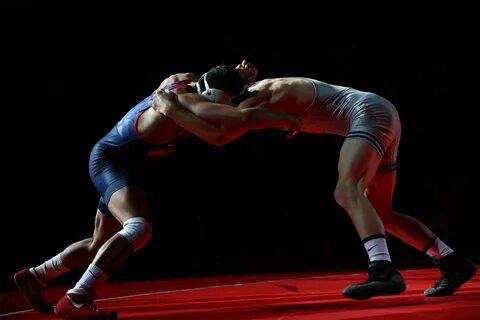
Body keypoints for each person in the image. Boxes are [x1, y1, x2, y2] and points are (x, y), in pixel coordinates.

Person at [13, 61, 301, 320]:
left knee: (98, 243)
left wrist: (241, 80)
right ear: (216, 97)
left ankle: (37, 276)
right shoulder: (187, 105)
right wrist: (283, 119)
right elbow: (223, 132)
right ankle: (77, 297)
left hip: (123, 161)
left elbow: (219, 96)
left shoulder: (184, 78)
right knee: (138, 227)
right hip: (113, 161)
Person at [156, 72, 477, 300]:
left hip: (370, 115)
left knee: (346, 190)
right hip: (380, 112)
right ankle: (452, 262)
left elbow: (221, 132)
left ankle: (383, 270)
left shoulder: (262, 95)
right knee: (381, 213)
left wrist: (171, 107)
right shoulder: (260, 91)